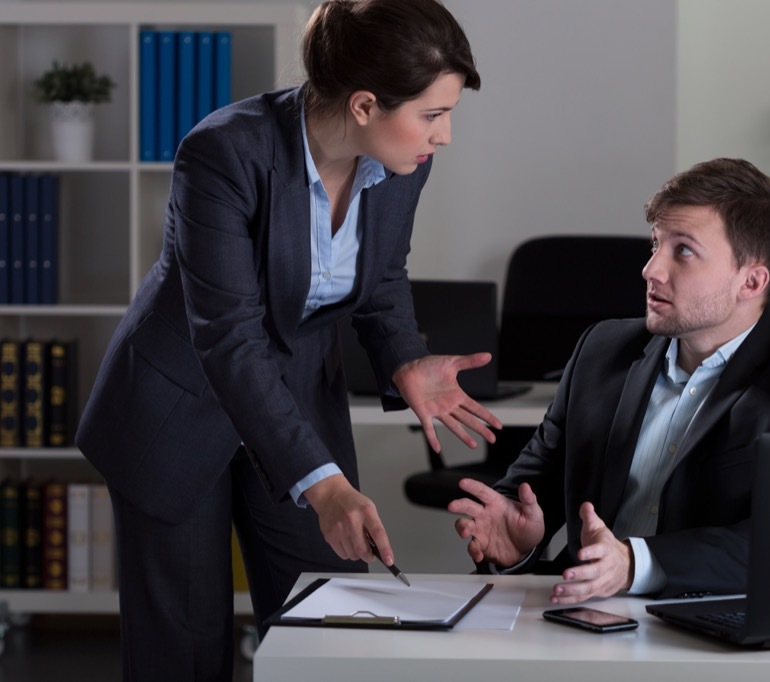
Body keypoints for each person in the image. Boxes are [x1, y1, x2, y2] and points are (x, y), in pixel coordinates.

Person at [75, 1, 495, 680]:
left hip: (296, 398)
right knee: (182, 652)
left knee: (327, 629)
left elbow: (383, 276)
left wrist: (404, 362)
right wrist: (324, 485)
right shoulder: (222, 153)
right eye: (432, 114)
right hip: (181, 402)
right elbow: (230, 339)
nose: (442, 137)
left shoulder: (403, 159)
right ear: (363, 104)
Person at [450, 157, 770, 605]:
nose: (651, 269)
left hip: (714, 629)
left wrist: (634, 564)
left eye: (683, 250)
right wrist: (520, 542)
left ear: (751, 281)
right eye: (656, 244)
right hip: (585, 619)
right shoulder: (602, 349)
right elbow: (533, 491)